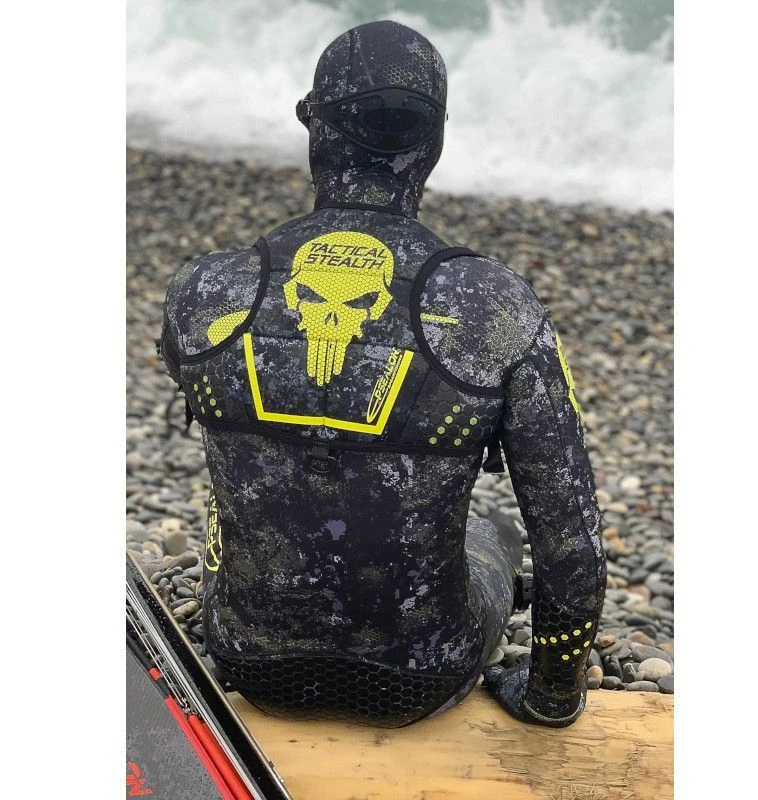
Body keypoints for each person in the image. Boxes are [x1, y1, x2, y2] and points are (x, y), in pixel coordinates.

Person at [160, 20, 606, 729]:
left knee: (244, 479)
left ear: (315, 126)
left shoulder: (205, 289)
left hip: (249, 660)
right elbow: (572, 545)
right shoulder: (494, 305)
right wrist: (550, 697)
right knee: (494, 530)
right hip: (420, 678)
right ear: (432, 143)